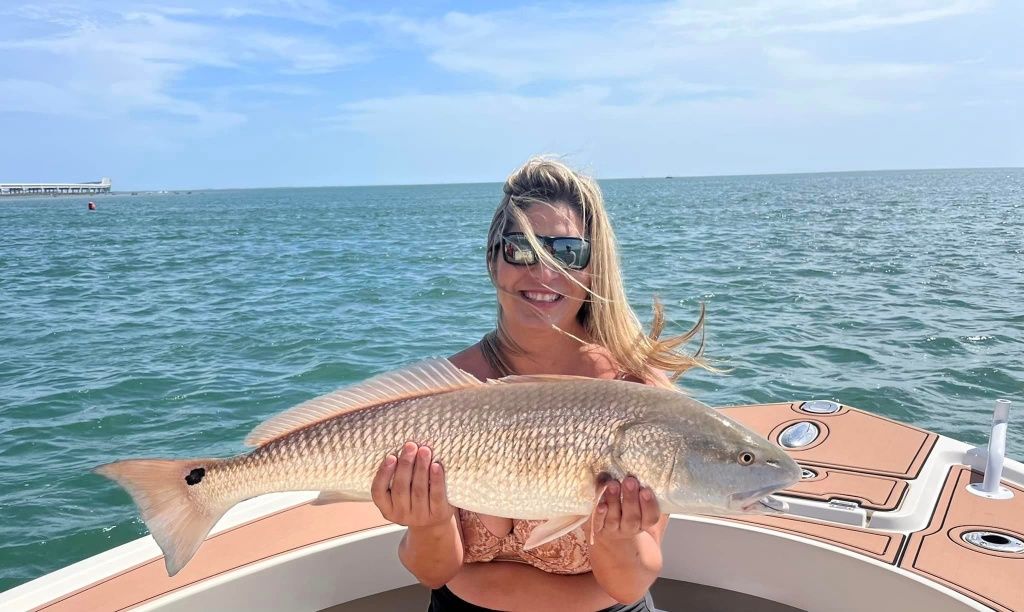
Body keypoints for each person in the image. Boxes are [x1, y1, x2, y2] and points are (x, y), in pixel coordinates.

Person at [370, 157, 708, 611]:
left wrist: (616, 538)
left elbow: (629, 585)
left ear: (595, 269)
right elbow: (434, 573)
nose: (545, 272)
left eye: (568, 252)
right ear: (493, 260)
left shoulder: (639, 394)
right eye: (522, 248)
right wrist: (427, 524)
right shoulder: (446, 393)